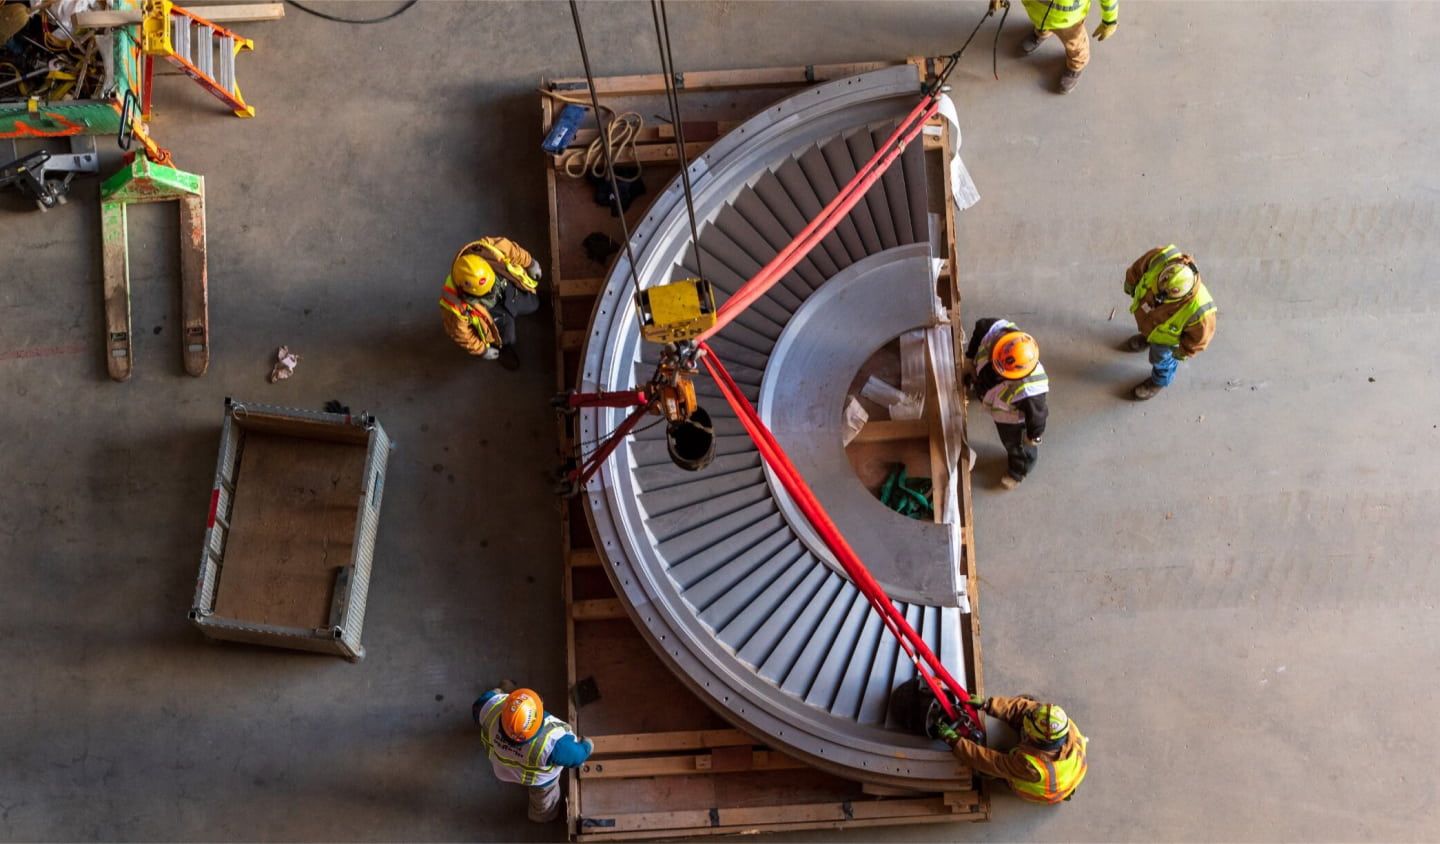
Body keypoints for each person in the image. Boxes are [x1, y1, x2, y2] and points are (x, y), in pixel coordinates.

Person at [936, 695, 1088, 804]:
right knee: (1028, 699)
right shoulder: (1060, 724)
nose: (1027, 720)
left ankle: (1061, 794)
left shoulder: (1032, 767)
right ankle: (1067, 790)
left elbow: (992, 762)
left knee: (986, 770)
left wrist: (955, 742)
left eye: (1029, 728)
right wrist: (988, 705)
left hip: (1048, 791)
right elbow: (1023, 708)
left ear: (1040, 739)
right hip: (1073, 771)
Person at [473, 685, 593, 822]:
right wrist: (587, 746)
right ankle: (542, 816)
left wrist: (496, 693)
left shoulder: (490, 708)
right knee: (544, 799)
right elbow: (577, 757)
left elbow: (479, 706)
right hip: (538, 781)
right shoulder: (553, 743)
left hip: (502, 768)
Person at [1121, 244, 1217, 400]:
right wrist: (1131, 283)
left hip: (1166, 341)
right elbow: (1139, 267)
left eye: (1168, 294)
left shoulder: (1201, 311)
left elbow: (1200, 339)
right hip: (1149, 321)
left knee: (1161, 360)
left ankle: (1159, 381)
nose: (1159, 293)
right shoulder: (1162, 257)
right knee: (1148, 329)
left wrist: (1183, 352)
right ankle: (1147, 337)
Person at [964, 318, 1049, 489]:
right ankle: (982, 391)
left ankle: (1019, 469)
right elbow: (982, 325)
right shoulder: (999, 333)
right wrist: (970, 357)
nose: (998, 371)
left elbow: (1038, 416)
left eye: (1002, 372)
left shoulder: (1030, 391)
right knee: (988, 376)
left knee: (1015, 445)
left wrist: (1033, 436)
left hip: (1009, 419)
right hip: (988, 385)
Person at [439, 237, 542, 370]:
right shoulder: (453, 307)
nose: (491, 290)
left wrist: (530, 263)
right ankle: (504, 351)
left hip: (508, 291)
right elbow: (462, 334)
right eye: (486, 291)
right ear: (466, 291)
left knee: (533, 304)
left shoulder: (487, 250)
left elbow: (511, 250)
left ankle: (536, 304)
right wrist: (481, 350)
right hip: (490, 314)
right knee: (507, 339)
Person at [992, 0, 1119, 93]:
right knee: (1041, 25)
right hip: (1037, 12)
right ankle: (1042, 32)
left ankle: (1077, 64)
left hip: (1069, 21)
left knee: (1075, 44)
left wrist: (1110, 21)